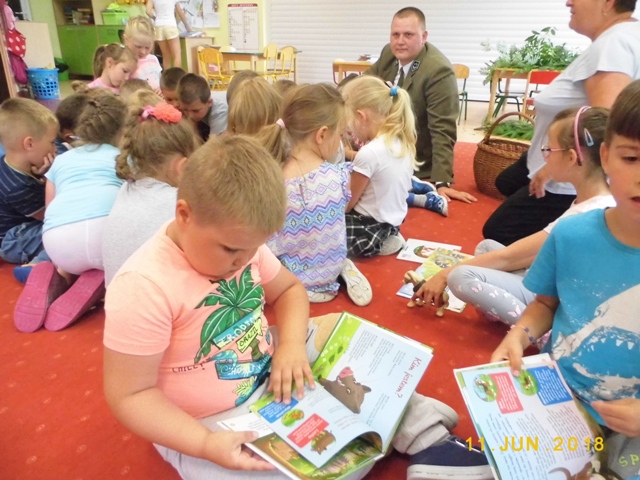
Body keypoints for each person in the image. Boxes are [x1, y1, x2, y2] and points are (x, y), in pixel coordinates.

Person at [103, 135, 493, 480]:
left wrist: (289, 347)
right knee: (247, 468)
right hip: (204, 420)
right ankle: (385, 430)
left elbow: (289, 290)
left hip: (271, 362)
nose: (243, 261)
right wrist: (204, 444)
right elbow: (131, 395)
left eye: (254, 248)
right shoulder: (143, 286)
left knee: (354, 343)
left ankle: (429, 438)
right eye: (232, 250)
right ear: (184, 215)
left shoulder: (243, 244)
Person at [490, 80, 640, 480]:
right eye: (631, 158)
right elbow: (545, 303)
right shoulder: (571, 234)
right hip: (563, 396)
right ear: (605, 157)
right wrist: (518, 335)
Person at [414, 107, 614, 328]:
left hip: (556, 300)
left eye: (549, 149)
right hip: (552, 278)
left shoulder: (583, 216)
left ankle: (540, 329)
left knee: (460, 277)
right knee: (486, 247)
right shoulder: (599, 200)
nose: (545, 157)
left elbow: (509, 257)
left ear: (571, 158)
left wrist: (443, 275)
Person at [483, 0, 640, 246]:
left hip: (567, 176)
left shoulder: (613, 44)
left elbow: (604, 122)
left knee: (497, 231)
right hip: (555, 156)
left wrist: (553, 168)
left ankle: (552, 254)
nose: (569, 2)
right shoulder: (625, 35)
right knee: (507, 181)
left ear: (608, 2)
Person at [14, 94, 126, 334]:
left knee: (69, 258)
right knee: (117, 258)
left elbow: (50, 209)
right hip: (105, 239)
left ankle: (61, 278)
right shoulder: (122, 158)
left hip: (59, 243)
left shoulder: (60, 162)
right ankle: (101, 283)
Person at [255, 83, 372, 306]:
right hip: (330, 269)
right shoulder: (339, 177)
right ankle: (343, 266)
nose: (341, 142)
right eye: (340, 135)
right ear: (322, 135)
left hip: (290, 282)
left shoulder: (272, 180)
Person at [365, 7, 476, 204]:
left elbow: (443, 129)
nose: (400, 41)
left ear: (424, 37)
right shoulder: (388, 53)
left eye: (408, 35)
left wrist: (442, 182)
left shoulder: (438, 71)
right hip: (386, 143)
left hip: (416, 157)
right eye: (395, 34)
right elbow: (365, 82)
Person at [341, 75, 447, 258]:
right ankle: (387, 237)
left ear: (361, 117)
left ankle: (377, 245)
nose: (350, 130)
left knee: (322, 232)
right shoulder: (402, 142)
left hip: (367, 227)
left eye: (349, 123)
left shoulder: (369, 153)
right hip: (393, 222)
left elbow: (347, 205)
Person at [103, 102, 199, 286]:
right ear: (182, 166)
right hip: (155, 299)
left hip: (116, 296)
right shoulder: (177, 202)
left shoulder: (126, 188)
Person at [0, 98, 57, 268]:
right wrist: (49, 177)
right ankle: (36, 265)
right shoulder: (19, 188)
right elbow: (53, 216)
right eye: (52, 142)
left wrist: (41, 176)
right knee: (65, 229)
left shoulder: (9, 164)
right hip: (14, 241)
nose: (55, 149)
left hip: (22, 230)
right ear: (29, 143)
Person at [177, 73, 228, 141]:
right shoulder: (200, 103)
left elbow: (214, 144)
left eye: (195, 111)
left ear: (209, 102)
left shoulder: (220, 111)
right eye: (185, 110)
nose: (190, 116)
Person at [146, 0, 191, 70]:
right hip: (170, 25)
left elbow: (148, 11)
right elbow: (180, 12)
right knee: (177, 55)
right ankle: (177, 76)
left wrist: (155, 18)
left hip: (158, 26)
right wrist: (187, 25)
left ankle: (167, 76)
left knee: (166, 55)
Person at [123, 16, 162, 92]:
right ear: (126, 40)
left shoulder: (153, 59)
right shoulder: (125, 62)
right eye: (138, 46)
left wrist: (161, 89)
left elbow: (160, 79)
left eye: (147, 47)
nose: (143, 52)